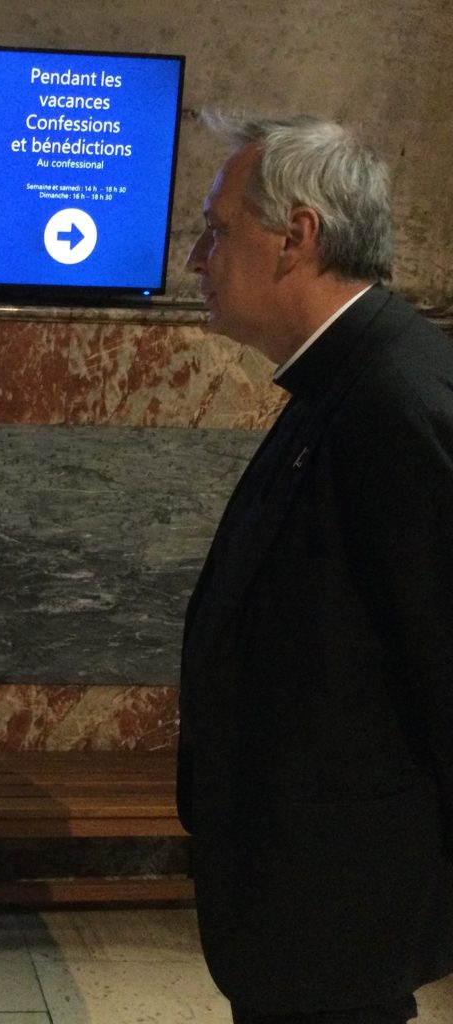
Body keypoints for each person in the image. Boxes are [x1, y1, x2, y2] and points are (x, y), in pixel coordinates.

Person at [178, 112, 453, 1023]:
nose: (194, 260)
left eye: (215, 231)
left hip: (341, 899)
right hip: (301, 891)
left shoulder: (395, 401)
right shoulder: (339, 379)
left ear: (296, 237)